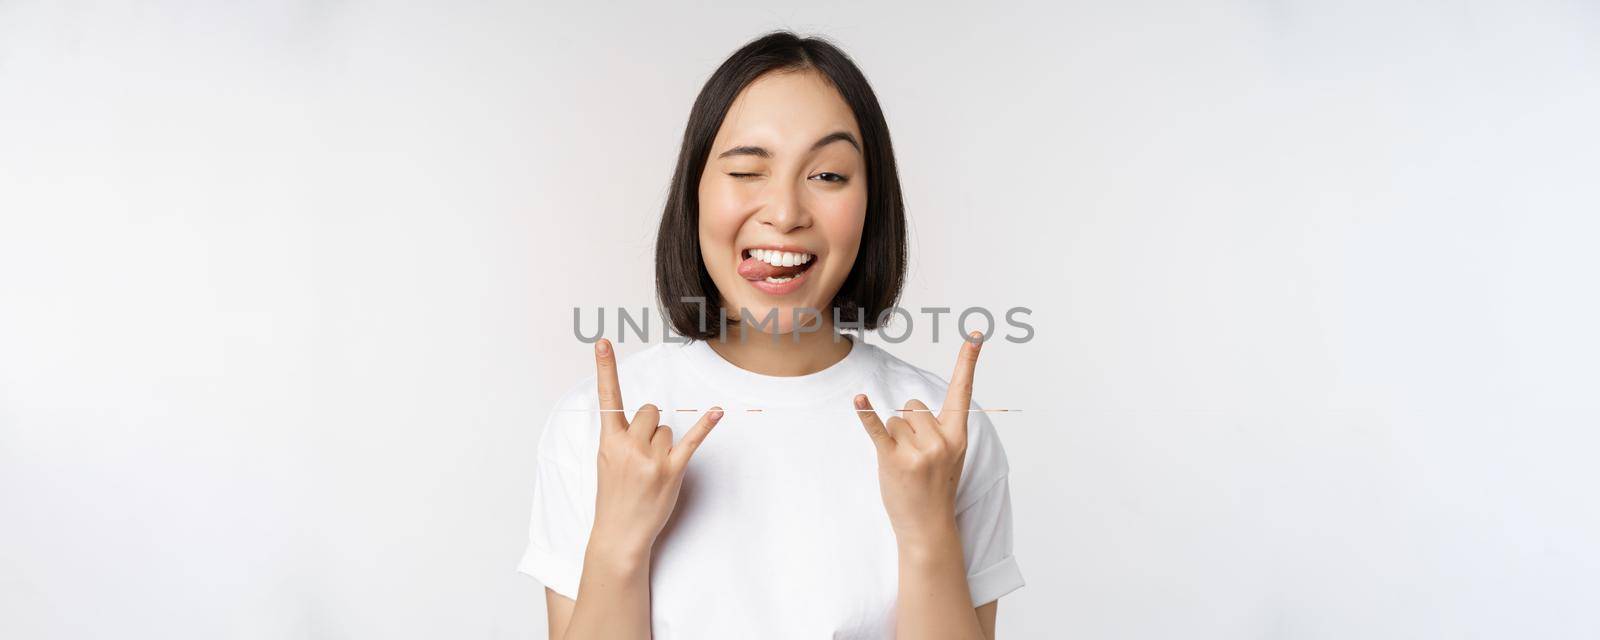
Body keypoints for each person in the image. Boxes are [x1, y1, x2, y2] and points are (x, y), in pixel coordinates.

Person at [518, 30, 1023, 639]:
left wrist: (927, 535)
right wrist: (618, 545)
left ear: (872, 204)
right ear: (695, 194)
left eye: (829, 175)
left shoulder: (943, 437)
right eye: (748, 171)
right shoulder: (599, 426)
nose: (784, 212)